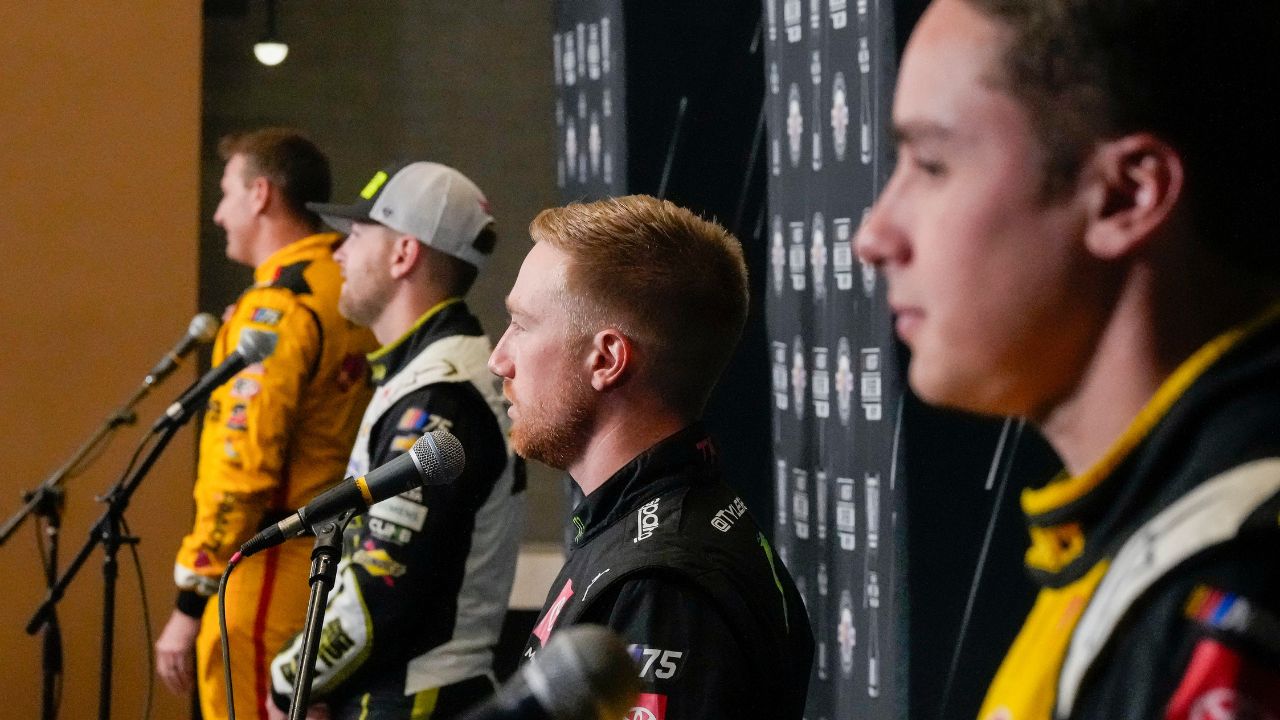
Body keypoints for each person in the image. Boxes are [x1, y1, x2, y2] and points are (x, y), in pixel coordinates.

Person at [854, 1, 1280, 718]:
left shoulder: (1226, 587)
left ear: (1125, 196)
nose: (874, 235)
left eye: (931, 165)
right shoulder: (1138, 545)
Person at [489, 195, 814, 719]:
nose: (499, 359)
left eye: (522, 325)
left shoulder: (662, 586)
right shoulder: (638, 528)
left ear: (606, 359)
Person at [266, 162, 524, 719]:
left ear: (404, 254)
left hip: (414, 699)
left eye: (356, 236)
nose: (338, 254)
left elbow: (381, 586)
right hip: (404, 691)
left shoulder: (439, 395)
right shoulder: (430, 373)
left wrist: (289, 681)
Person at [155, 128, 378, 720]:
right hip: (336, 560)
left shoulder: (275, 307)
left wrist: (191, 597)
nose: (218, 213)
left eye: (226, 192)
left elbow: (241, 468)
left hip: (268, 568)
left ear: (260, 195)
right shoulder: (349, 285)